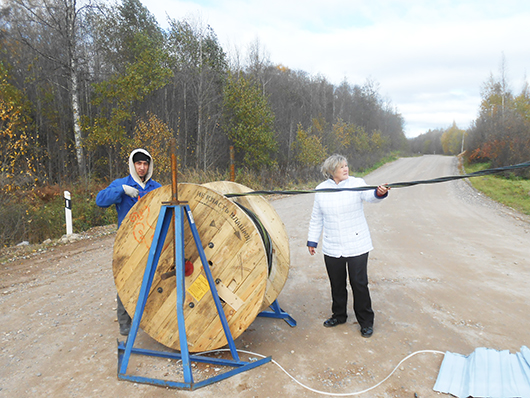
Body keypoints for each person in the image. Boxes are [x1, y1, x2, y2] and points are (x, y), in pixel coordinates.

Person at [307, 154, 389, 338]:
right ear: (331, 171)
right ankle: (339, 315)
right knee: (337, 284)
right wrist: (312, 240)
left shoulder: (356, 183)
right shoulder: (321, 190)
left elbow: (371, 196)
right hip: (332, 245)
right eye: (341, 166)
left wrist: (379, 192)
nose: (346, 168)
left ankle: (366, 322)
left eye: (346, 165)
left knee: (359, 284)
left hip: (357, 244)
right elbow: (316, 217)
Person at [96, 148, 162, 335]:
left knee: (152, 278)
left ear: (149, 166)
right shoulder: (121, 184)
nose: (142, 167)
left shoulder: (156, 187)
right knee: (126, 279)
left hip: (150, 241)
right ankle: (125, 320)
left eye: (145, 164)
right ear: (133, 165)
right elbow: (100, 200)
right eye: (138, 164)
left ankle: (151, 317)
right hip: (127, 241)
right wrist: (121, 191)